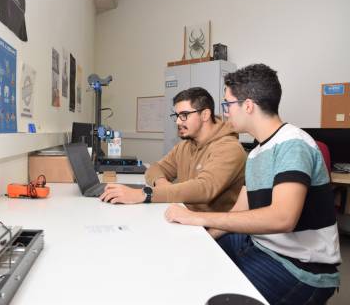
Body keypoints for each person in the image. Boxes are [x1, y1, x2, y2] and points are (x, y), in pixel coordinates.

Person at [165, 64, 341, 304]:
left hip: (299, 267)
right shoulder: (257, 152)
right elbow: (239, 211)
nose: (225, 113)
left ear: (247, 106)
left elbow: (283, 218)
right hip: (260, 245)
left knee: (208, 291)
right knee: (191, 258)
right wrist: (204, 236)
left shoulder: (293, 144)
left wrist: (201, 219)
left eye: (228, 104)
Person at [100, 87, 246, 212]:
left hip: (214, 230)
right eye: (176, 116)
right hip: (186, 217)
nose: (177, 121)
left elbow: (204, 188)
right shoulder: (186, 145)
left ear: (205, 115)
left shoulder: (229, 148)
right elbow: (155, 168)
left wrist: (145, 194)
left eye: (184, 115)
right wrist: (161, 183)